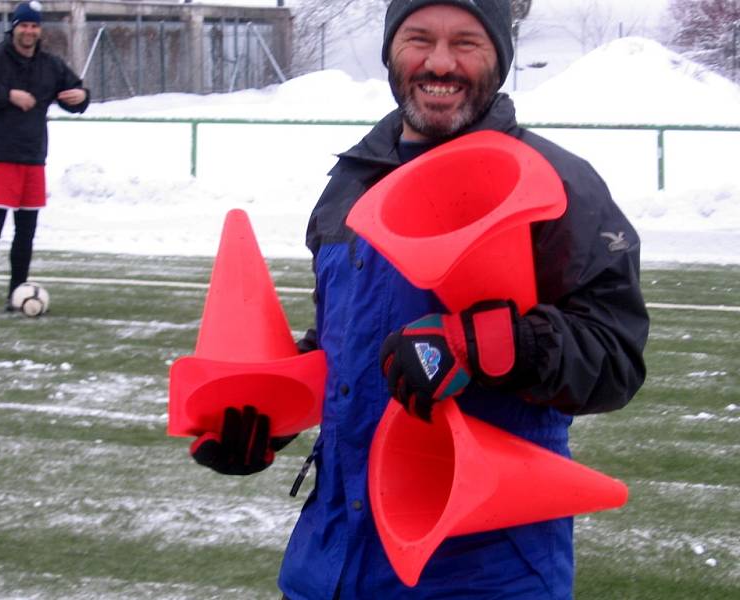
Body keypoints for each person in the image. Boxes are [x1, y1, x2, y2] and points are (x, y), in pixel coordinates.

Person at [191, 1, 649, 598]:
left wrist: (486, 345)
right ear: (389, 51)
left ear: (500, 58)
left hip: (483, 571)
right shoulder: (352, 181)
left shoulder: (556, 180)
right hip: (328, 564)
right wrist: (263, 417)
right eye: (418, 39)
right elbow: (341, 342)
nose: (439, 62)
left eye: (466, 42)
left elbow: (615, 359)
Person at [0, 1, 89, 319]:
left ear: (39, 29)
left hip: (34, 157)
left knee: (26, 231)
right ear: (14, 27)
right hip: (0, 155)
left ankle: (16, 294)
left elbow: (75, 93)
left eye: (34, 26)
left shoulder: (49, 64)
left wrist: (82, 97)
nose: (29, 31)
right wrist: (7, 95)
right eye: (23, 25)